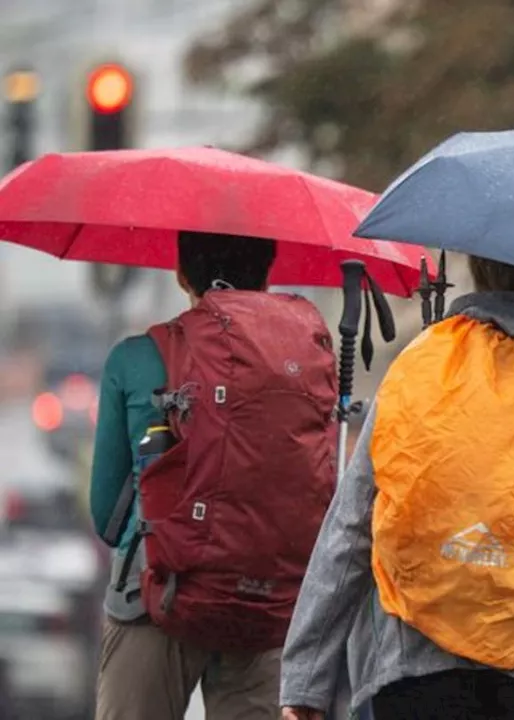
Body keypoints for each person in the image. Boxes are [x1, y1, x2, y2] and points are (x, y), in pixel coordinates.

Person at [279, 256, 514, 719]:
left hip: (420, 664)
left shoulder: (420, 365)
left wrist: (306, 681)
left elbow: (352, 526)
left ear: (479, 270)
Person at [91, 231, 337, 720]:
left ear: (182, 274)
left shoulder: (137, 358)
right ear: (267, 277)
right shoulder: (301, 365)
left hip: (154, 592)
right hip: (266, 603)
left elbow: (107, 518)